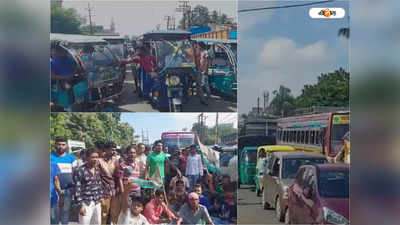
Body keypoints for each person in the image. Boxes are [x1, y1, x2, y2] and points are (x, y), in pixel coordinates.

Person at [73, 149, 105, 225]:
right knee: (84, 223)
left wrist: (101, 197)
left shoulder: (97, 169)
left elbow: (99, 184)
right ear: (87, 157)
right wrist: (80, 205)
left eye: (97, 157)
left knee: (97, 222)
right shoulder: (80, 170)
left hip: (97, 201)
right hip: (86, 202)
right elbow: (77, 189)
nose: (95, 159)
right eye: (93, 157)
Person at [50, 137, 76, 225]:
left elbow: (75, 173)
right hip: (54, 191)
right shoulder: (50, 158)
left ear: (66, 146)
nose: (61, 146)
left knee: (65, 213)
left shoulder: (71, 158)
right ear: (55, 145)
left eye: (63, 144)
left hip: (68, 190)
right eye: (59, 144)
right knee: (54, 215)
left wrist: (74, 186)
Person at [99, 141, 121, 225]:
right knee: (104, 213)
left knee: (114, 213)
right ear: (106, 150)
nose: (114, 152)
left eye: (115, 150)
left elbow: (118, 176)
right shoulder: (99, 161)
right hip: (104, 191)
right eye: (112, 150)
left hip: (114, 191)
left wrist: (119, 188)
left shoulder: (116, 161)